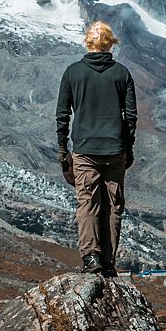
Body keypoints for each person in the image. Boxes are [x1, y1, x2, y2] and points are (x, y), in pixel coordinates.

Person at [55, 20, 137, 276]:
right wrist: (127, 147)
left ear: (87, 42)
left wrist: (62, 149)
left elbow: (62, 115)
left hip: (84, 150)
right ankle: (109, 261)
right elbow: (131, 117)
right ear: (111, 44)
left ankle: (91, 257)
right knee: (113, 206)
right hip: (115, 151)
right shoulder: (122, 73)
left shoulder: (72, 72)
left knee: (87, 204)